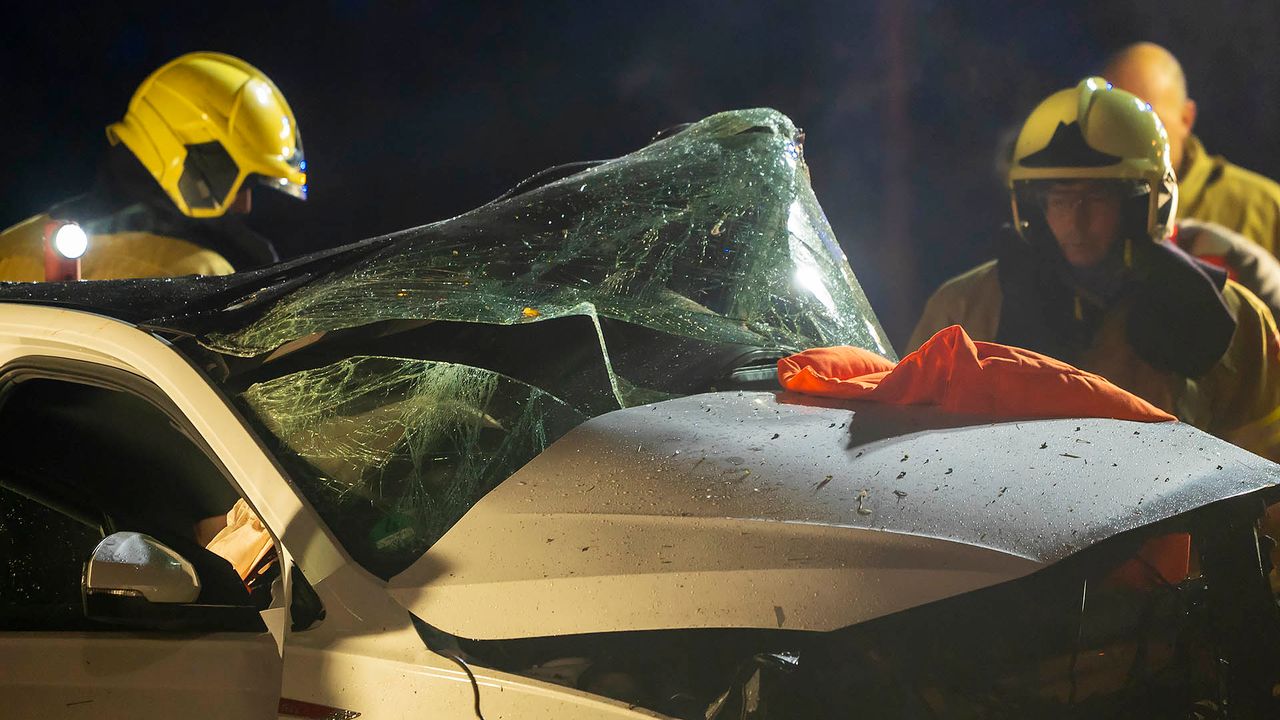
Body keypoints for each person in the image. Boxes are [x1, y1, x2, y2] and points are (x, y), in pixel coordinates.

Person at [910, 78, 1280, 459]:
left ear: (1142, 203)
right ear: (1033, 206)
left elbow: (1267, 472)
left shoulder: (1227, 319)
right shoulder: (963, 312)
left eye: (1097, 198)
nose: (1076, 223)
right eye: (1059, 200)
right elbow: (913, 455)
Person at [0, 52, 306, 281]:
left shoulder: (12, 248)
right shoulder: (202, 275)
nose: (245, 204)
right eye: (241, 183)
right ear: (187, 161)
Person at [1103, 42, 1280, 256]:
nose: (1128, 141)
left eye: (1148, 124)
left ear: (1186, 118)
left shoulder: (1264, 211)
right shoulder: (1086, 209)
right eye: (1113, 125)